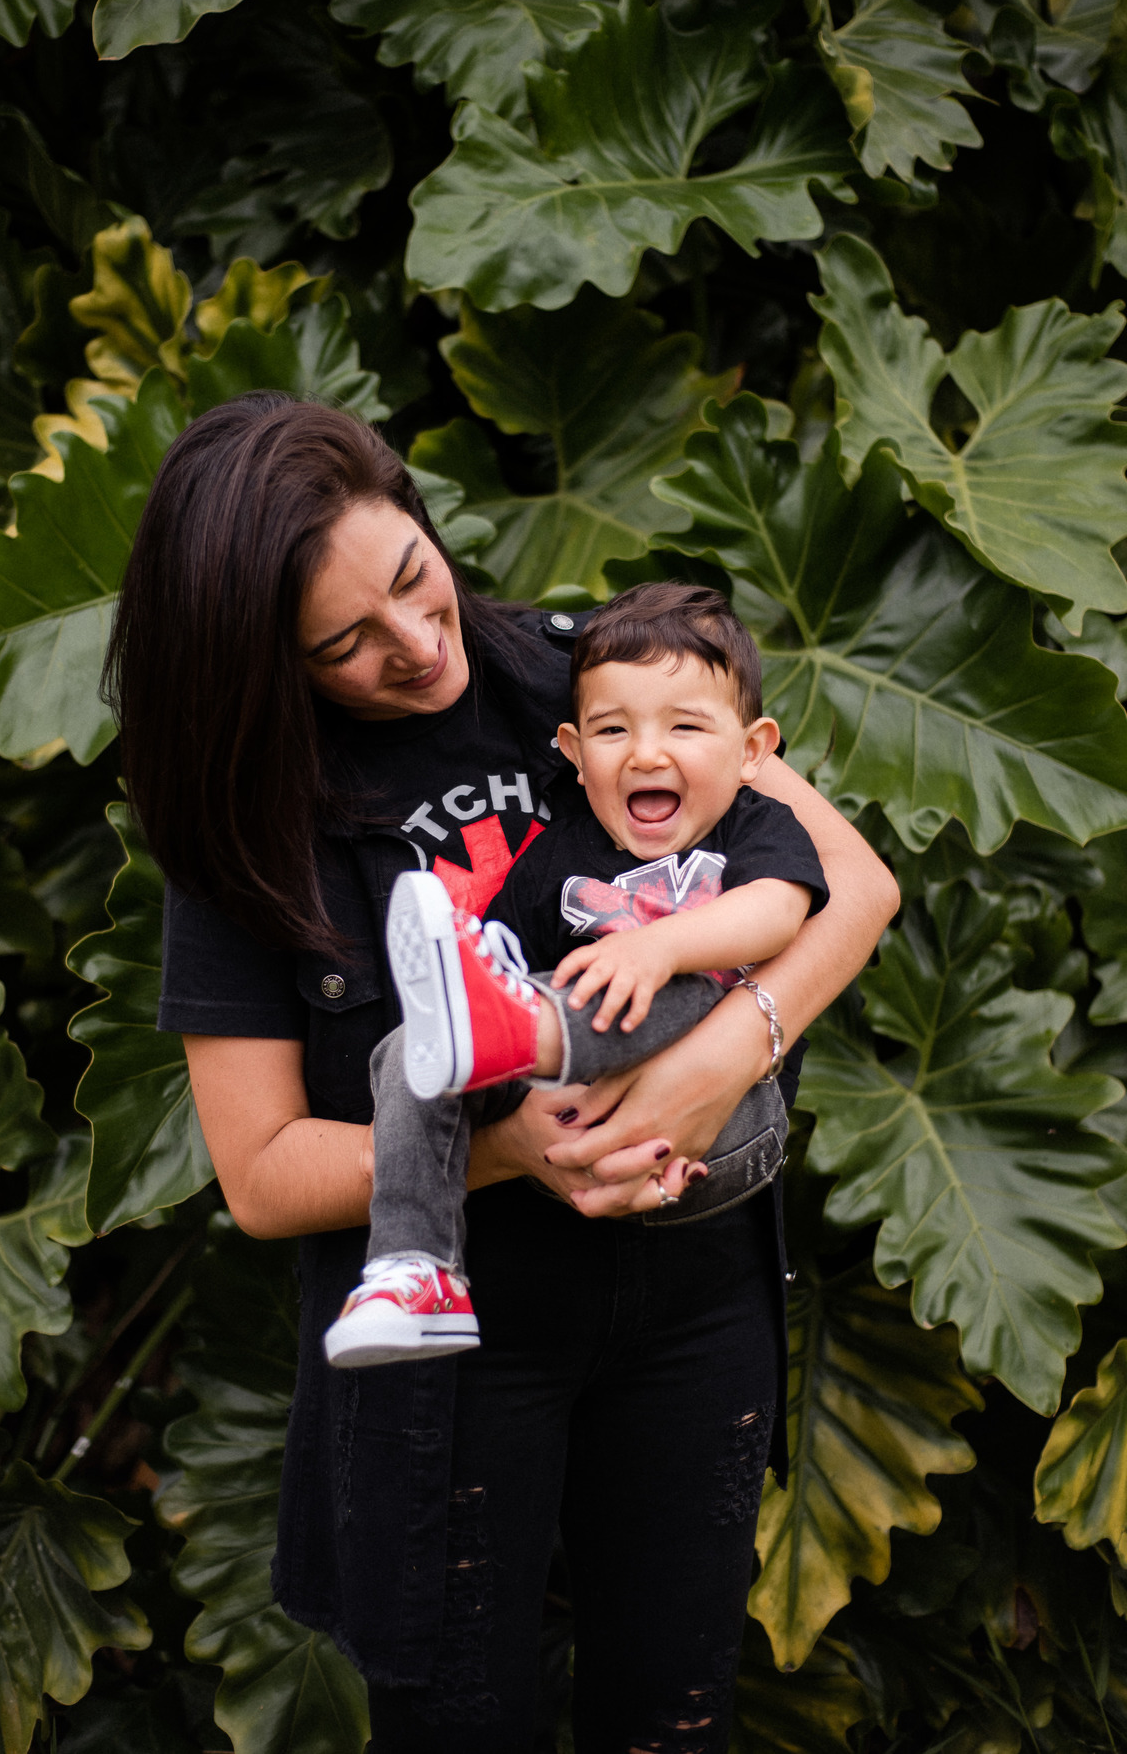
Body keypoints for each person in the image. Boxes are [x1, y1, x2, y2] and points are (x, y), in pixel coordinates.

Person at [106, 395, 900, 1753]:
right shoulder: (247, 824)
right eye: (345, 645)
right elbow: (260, 1170)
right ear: (263, 665)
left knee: (677, 1717)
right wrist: (507, 1148)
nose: (419, 647)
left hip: (684, 1312)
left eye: (417, 581)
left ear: (423, 520)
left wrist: (715, 1060)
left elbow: (851, 887)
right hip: (460, 1358)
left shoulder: (585, 674)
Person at [326, 583, 829, 1370]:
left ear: (753, 750)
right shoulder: (558, 856)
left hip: (719, 1126)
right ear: (572, 751)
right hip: (580, 1134)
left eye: (686, 726)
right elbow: (520, 966)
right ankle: (417, 1268)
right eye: (612, 730)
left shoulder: (751, 824)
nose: (646, 753)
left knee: (674, 984)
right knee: (409, 1051)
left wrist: (659, 947)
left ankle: (515, 1028)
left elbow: (778, 912)